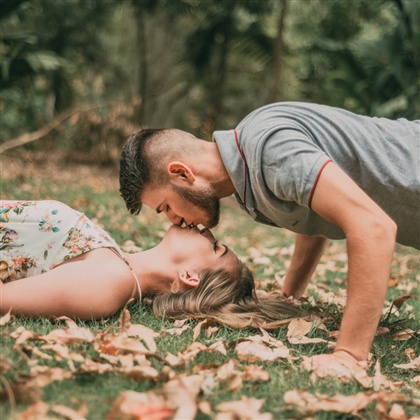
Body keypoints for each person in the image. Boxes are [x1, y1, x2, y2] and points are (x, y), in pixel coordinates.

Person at [119, 101, 420, 368]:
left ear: (182, 173)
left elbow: (373, 227)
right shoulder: (245, 181)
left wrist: (349, 355)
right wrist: (290, 294)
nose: (175, 220)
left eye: (166, 207)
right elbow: (314, 213)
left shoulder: (269, 149)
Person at [0, 199, 304, 325]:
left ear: (190, 276)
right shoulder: (115, 264)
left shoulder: (108, 284)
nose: (207, 230)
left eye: (215, 247)